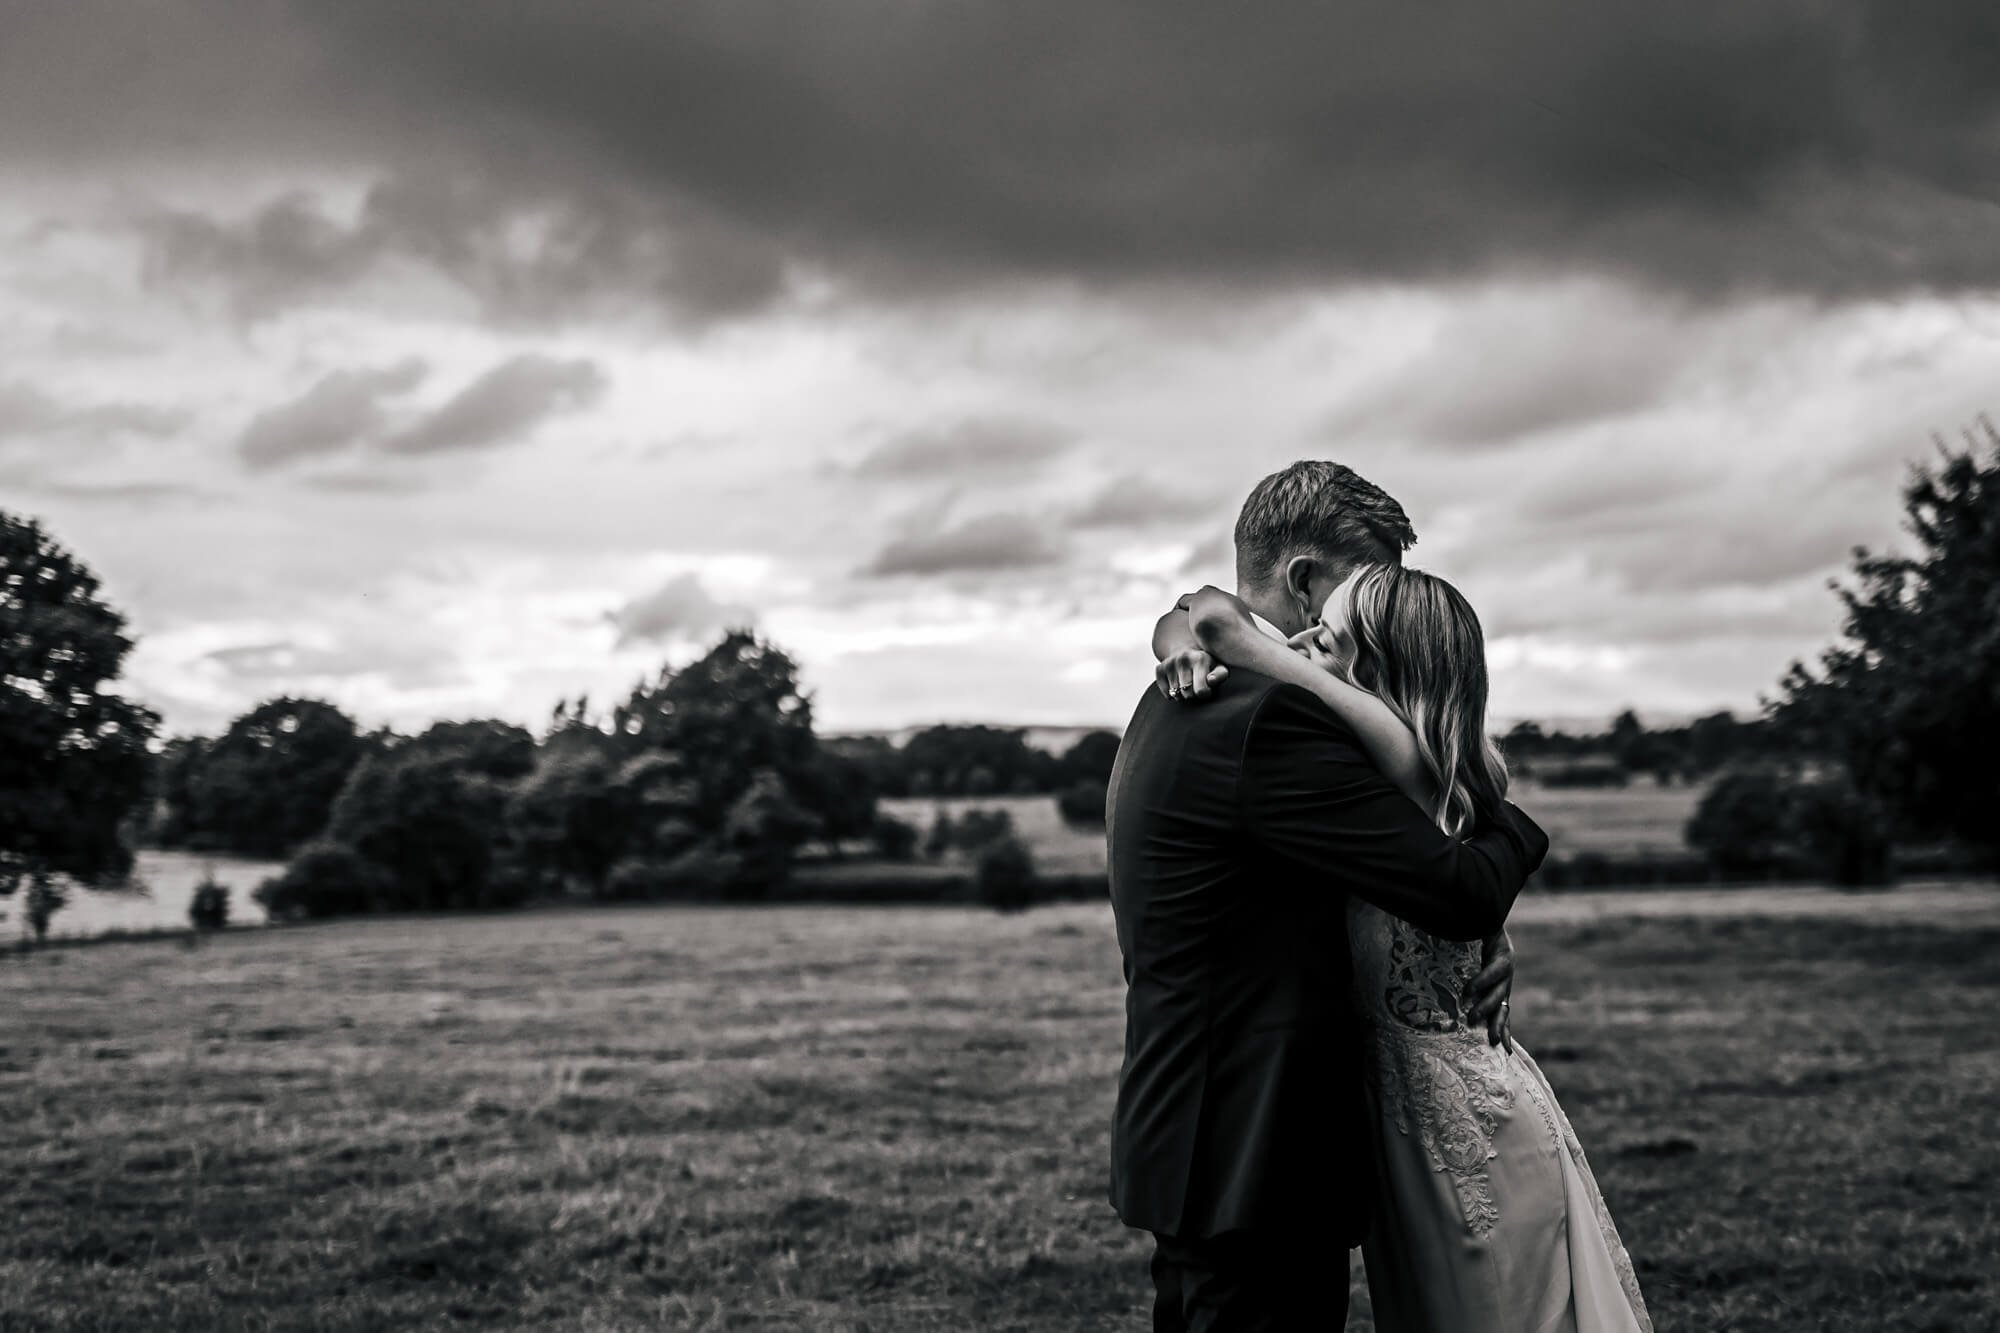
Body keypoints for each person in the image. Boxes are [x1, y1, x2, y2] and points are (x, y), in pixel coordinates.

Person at [1107, 461, 1549, 1331]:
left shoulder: (1188, 698)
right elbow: (1452, 890)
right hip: (1256, 1150)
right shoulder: (1275, 719)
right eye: (1365, 582)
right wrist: (1516, 831)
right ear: (1307, 580)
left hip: (1206, 1133)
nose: (1377, 605)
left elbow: (1381, 878)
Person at [1157, 560, 1653, 1331]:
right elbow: (1198, 615)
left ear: (1385, 667)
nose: (1309, 634)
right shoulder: (1391, 774)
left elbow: (1217, 615)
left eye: (1336, 629)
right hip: (1409, 1141)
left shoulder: (1400, 759)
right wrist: (1173, 638)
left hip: (1468, 1140)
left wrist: (1203, 635)